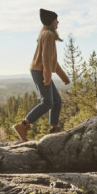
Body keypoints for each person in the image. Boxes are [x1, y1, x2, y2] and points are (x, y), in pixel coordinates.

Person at [14, 9, 70, 142]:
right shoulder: (48, 35)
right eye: (56, 19)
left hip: (40, 70)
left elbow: (52, 61)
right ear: (51, 21)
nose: (58, 22)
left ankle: (54, 128)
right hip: (40, 71)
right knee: (47, 102)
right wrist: (47, 77)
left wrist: (64, 78)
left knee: (56, 101)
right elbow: (46, 59)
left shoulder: (45, 34)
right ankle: (22, 125)